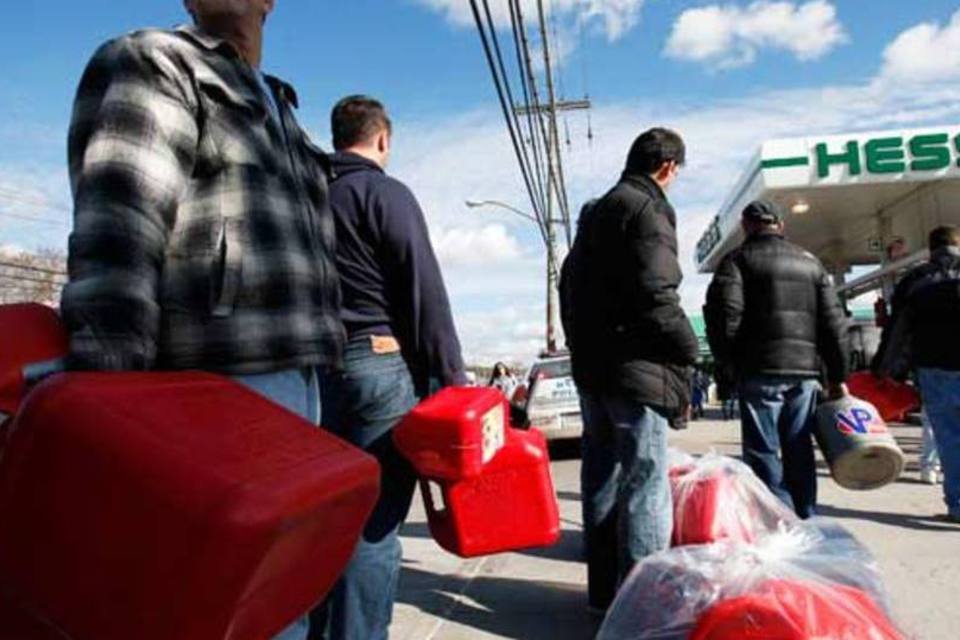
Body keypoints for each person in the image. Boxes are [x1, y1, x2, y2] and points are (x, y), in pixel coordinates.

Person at [60, 3, 342, 638]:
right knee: (227, 612)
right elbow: (118, 234)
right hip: (215, 390)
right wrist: (106, 426)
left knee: (283, 599)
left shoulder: (283, 106)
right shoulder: (155, 59)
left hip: (302, 387)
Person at [309, 96, 467, 640]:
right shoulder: (385, 193)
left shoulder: (305, 197)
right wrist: (452, 384)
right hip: (374, 365)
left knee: (322, 519)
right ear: (382, 139)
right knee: (372, 527)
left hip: (309, 375)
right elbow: (424, 293)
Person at [560, 127, 698, 613]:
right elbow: (658, 293)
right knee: (645, 483)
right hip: (636, 370)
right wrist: (689, 347)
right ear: (667, 167)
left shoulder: (596, 214)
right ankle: (644, 608)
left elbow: (569, 291)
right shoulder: (648, 208)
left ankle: (606, 598)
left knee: (601, 480)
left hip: (595, 372)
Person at [704, 199, 848, 519]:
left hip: (759, 370)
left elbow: (725, 318)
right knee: (799, 448)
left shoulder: (736, 261)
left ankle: (776, 518)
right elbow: (833, 323)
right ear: (780, 225)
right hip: (805, 372)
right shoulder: (810, 263)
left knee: (762, 450)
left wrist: (728, 366)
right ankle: (805, 514)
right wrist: (838, 375)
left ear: (746, 226)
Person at [874, 225, 960, 521]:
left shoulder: (915, 280)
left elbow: (898, 331)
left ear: (931, 247)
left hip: (934, 368)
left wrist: (884, 369)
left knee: (947, 437)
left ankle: (958, 505)